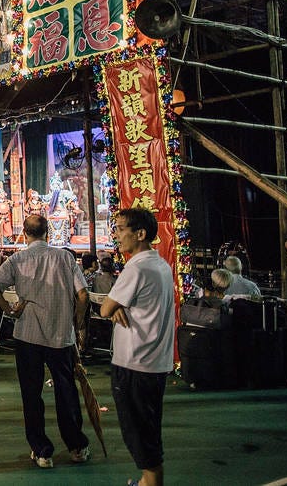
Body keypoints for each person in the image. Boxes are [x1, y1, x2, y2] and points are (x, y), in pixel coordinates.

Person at [0, 214, 90, 469]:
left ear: (25, 232)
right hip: (61, 335)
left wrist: (9, 310)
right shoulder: (65, 257)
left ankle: (42, 450)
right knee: (66, 391)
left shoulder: (18, 259)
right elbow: (83, 295)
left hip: (28, 335)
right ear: (48, 231)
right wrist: (78, 324)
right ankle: (76, 446)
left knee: (31, 394)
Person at [101, 208, 175, 486]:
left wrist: (115, 306)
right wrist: (118, 306)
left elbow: (107, 307)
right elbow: (116, 307)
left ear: (140, 234)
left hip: (134, 364)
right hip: (153, 363)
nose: (117, 235)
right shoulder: (161, 265)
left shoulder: (137, 266)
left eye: (121, 229)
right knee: (147, 433)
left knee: (143, 442)